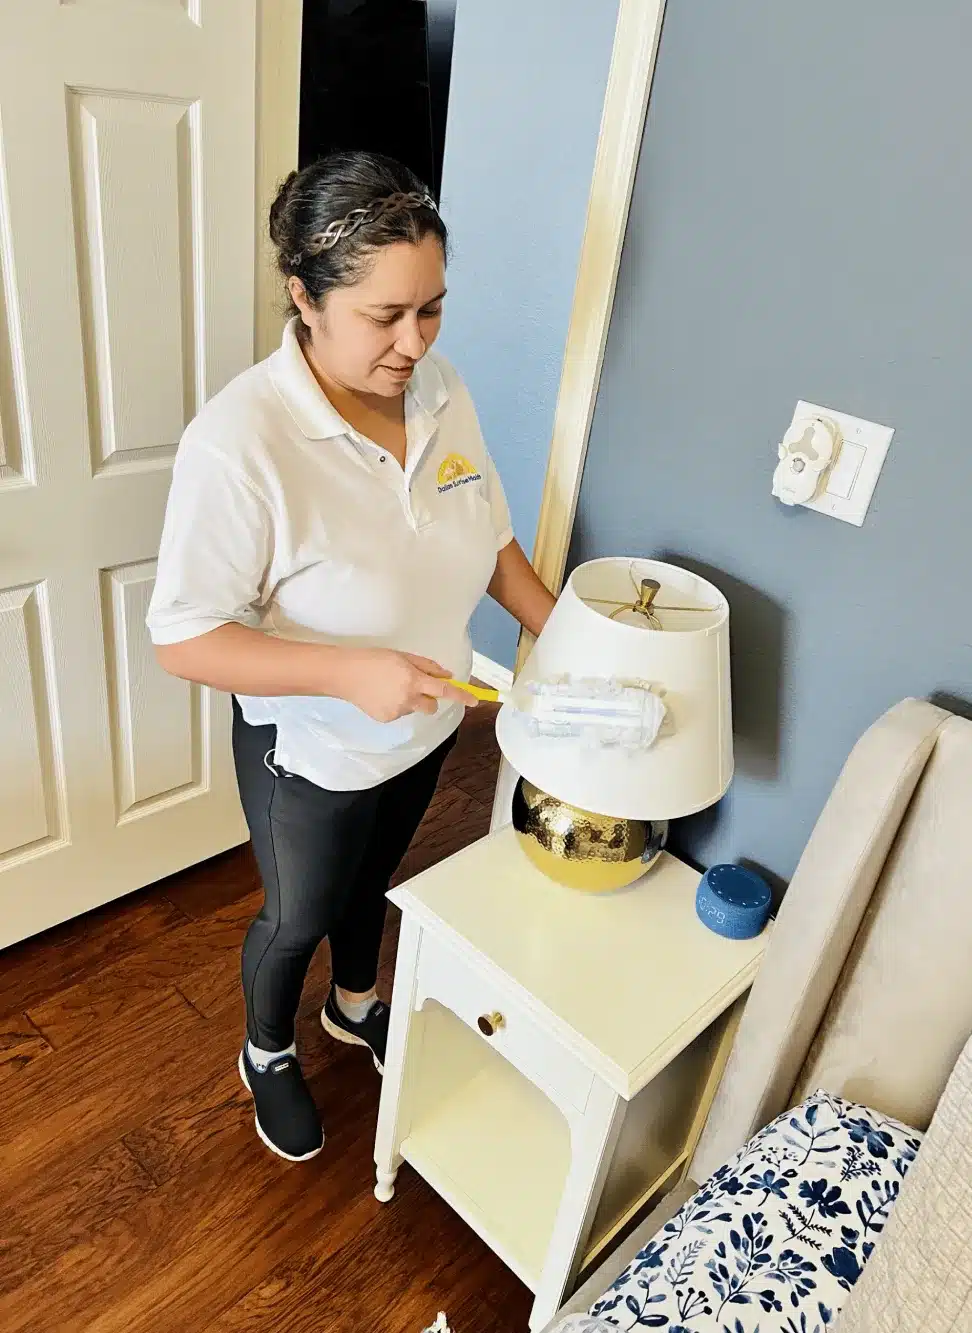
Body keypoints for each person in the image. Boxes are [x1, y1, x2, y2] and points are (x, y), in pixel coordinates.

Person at [147, 151, 556, 1162]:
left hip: (424, 726)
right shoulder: (241, 443)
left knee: (378, 881)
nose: (414, 343)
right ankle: (269, 1046)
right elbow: (183, 637)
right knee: (297, 918)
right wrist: (349, 672)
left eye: (432, 309)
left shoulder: (439, 388)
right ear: (304, 296)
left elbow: (489, 533)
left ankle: (356, 1005)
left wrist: (565, 633)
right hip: (316, 753)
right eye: (385, 316)